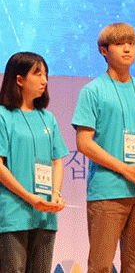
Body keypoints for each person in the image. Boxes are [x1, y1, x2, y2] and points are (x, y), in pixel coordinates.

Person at [72, 22, 135, 273]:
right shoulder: (93, 91)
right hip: (108, 190)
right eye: (119, 44)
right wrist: (125, 169)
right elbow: (84, 143)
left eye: (131, 43)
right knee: (101, 265)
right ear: (104, 50)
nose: (127, 49)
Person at [0, 52, 68, 273]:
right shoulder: (3, 116)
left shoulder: (48, 118)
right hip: (13, 214)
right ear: (19, 79)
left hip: (45, 214)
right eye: (37, 74)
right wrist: (29, 197)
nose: (44, 80)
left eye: (46, 74)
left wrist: (55, 194)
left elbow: (57, 160)